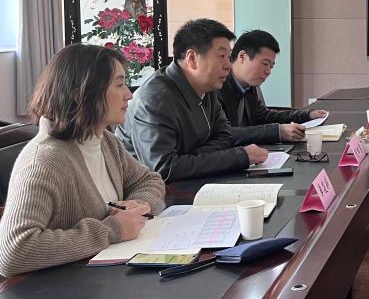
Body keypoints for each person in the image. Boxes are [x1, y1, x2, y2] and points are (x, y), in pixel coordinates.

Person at [0, 45, 166, 276]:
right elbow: (13, 251)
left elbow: (149, 181)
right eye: (119, 85)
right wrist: (112, 229)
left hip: (104, 278)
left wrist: (138, 206)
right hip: (61, 291)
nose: (129, 94)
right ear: (81, 94)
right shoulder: (44, 162)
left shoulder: (104, 140)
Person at [117, 19, 267, 182]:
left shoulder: (207, 87)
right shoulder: (154, 100)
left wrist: (189, 158)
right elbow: (163, 169)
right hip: (149, 191)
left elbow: (225, 135)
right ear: (192, 58)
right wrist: (238, 157)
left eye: (229, 57)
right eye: (222, 56)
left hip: (193, 181)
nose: (228, 65)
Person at [218, 29, 327, 145]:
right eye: (265, 64)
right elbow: (224, 133)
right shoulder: (216, 86)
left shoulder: (248, 86)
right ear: (242, 56)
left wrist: (306, 115)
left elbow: (263, 117)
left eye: (271, 66)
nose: (268, 71)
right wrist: (278, 132)